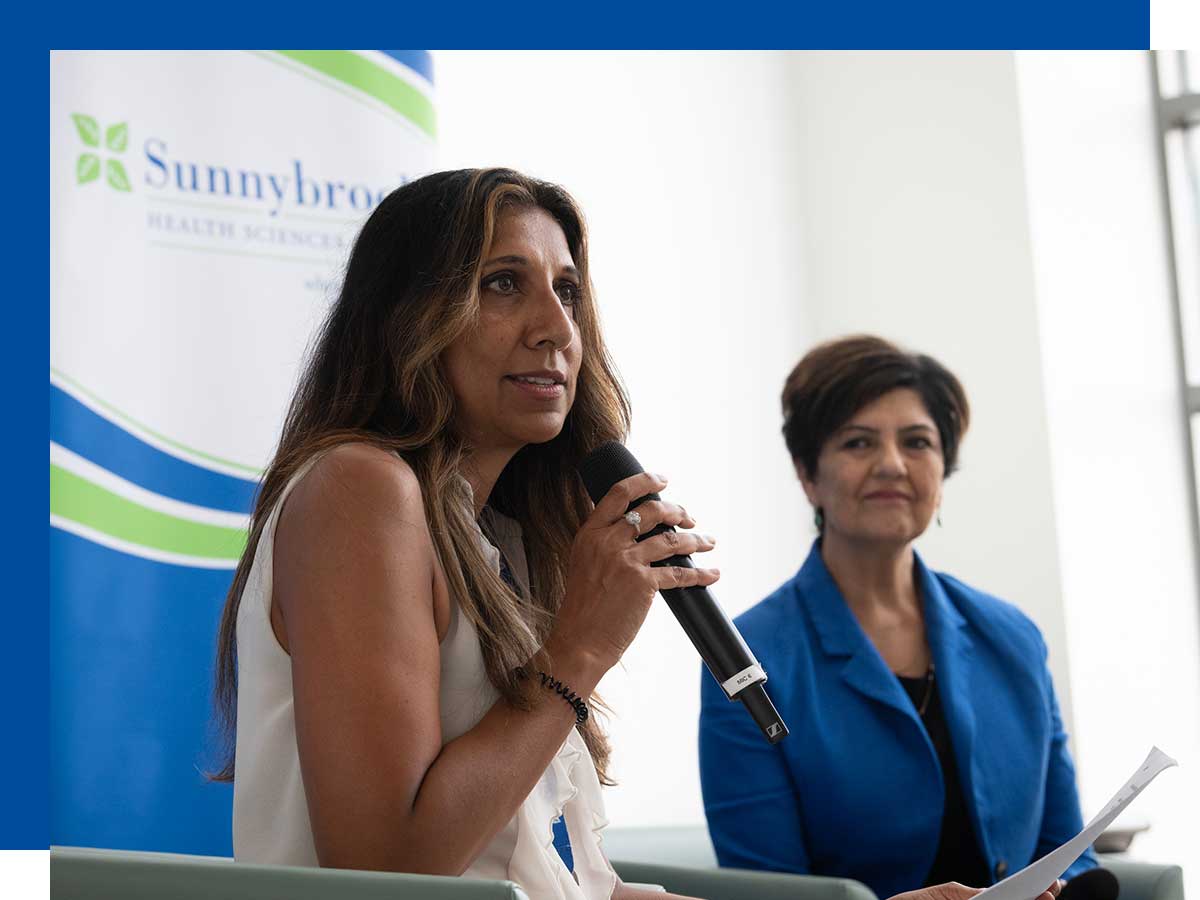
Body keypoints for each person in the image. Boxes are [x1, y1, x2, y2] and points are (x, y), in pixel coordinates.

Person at [211, 171, 1062, 900]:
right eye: (504, 282)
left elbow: (553, 876)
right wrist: (578, 650)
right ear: (409, 314)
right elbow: (384, 869)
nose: (557, 327)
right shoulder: (359, 487)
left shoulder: (499, 540)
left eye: (569, 289)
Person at [698, 335, 1098, 900]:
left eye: (917, 442)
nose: (892, 465)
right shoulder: (747, 656)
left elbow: (1070, 849)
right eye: (859, 442)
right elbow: (768, 890)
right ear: (808, 474)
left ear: (943, 467)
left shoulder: (1013, 637)